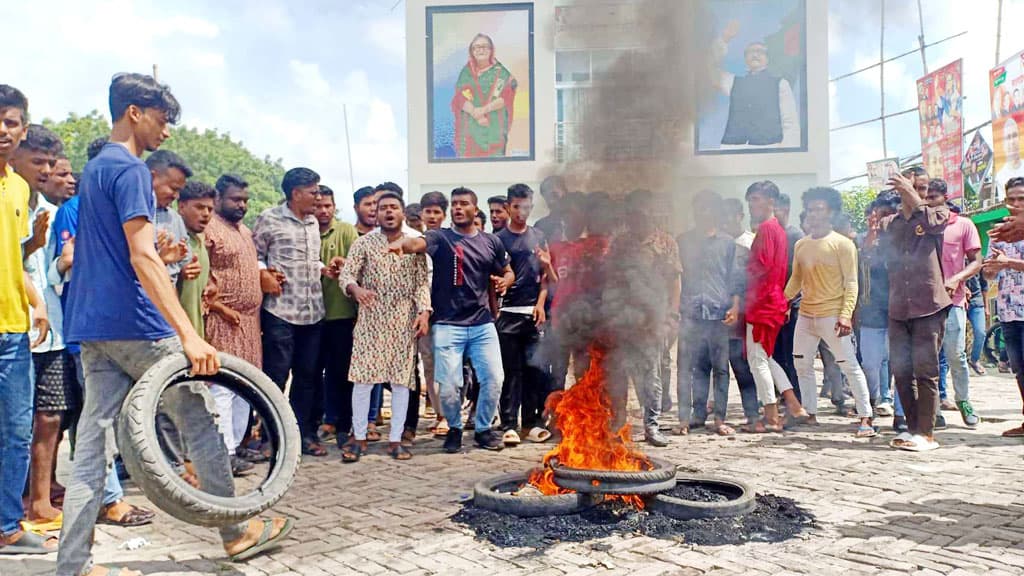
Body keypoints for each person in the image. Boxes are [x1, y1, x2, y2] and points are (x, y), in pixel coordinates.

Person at [58, 73, 291, 576]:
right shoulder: (130, 169)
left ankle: (73, 565)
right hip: (137, 323)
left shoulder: (95, 167)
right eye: (162, 120)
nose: (166, 133)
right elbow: (142, 258)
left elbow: (118, 249)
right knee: (199, 417)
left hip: (93, 326)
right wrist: (187, 333)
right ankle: (237, 530)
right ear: (134, 112)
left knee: (92, 449)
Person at [48, 136, 158, 531]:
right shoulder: (76, 210)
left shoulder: (99, 204)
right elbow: (68, 262)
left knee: (99, 426)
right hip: (100, 327)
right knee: (95, 427)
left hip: (102, 325)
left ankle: (83, 542)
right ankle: (110, 500)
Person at [388, 187, 514, 453]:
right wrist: (404, 244)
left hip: (482, 324)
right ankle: (454, 429)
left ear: (474, 209)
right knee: (449, 385)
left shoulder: (491, 242)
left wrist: (506, 280)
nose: (458, 208)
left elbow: (507, 270)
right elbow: (418, 244)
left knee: (494, 378)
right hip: (447, 325)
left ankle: (483, 429)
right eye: (454, 204)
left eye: (463, 204)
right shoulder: (440, 237)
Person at [0, 85, 55, 556]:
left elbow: (13, 258)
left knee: (15, 431)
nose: (3, 129)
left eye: (11, 121)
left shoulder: (18, 188)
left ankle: (7, 528)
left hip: (13, 329)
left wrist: (34, 300)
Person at [339, 191, 430, 461]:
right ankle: (358, 438)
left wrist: (424, 313)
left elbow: (421, 283)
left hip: (404, 321)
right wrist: (355, 290)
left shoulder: (413, 245)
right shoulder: (364, 243)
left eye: (394, 208)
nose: (388, 212)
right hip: (371, 320)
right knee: (363, 380)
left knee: (401, 383)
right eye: (383, 209)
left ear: (402, 213)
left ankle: (396, 439)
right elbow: (347, 274)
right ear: (375, 214)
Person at [11, 124, 70, 531]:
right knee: (15, 423)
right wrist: (30, 247)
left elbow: (42, 270)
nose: (47, 171)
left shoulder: (38, 208)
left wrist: (56, 262)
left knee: (50, 417)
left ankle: (40, 497)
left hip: (47, 328)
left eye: (51, 163)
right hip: (16, 323)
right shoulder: (10, 198)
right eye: (39, 162)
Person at [175, 180, 254, 477]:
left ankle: (227, 450)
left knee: (237, 386)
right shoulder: (184, 238)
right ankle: (210, 456)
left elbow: (207, 280)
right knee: (212, 389)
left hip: (225, 323)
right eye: (200, 207)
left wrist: (209, 292)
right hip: (197, 328)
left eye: (208, 208)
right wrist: (219, 307)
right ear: (180, 206)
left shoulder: (235, 233)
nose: (205, 214)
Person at [254, 167, 333, 457]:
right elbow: (256, 254)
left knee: (309, 376)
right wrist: (263, 274)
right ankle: (269, 437)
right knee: (276, 375)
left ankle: (305, 435)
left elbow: (311, 261)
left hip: (313, 312)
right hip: (280, 311)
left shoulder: (313, 222)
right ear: (296, 193)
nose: (318, 196)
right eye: (313, 191)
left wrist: (325, 268)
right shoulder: (269, 218)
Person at [784, 188, 875, 436]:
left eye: (819, 209)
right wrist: (783, 301)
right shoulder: (801, 244)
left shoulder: (843, 244)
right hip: (806, 314)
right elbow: (796, 279)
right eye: (810, 209)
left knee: (849, 366)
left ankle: (866, 417)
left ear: (831, 212)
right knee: (802, 365)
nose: (813, 214)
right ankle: (810, 414)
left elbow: (852, 283)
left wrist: (845, 314)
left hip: (832, 316)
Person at [605, 190, 681, 447]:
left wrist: (672, 314)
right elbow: (611, 280)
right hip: (623, 320)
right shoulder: (620, 243)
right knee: (618, 373)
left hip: (653, 319)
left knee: (651, 375)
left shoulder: (665, 243)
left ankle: (652, 426)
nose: (638, 217)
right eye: (633, 213)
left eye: (643, 211)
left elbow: (674, 281)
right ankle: (619, 423)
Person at [882, 169, 951, 452]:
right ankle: (912, 431)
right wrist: (905, 199)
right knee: (901, 371)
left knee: (926, 372)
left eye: (923, 189)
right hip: (899, 308)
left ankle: (928, 434)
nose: (920, 194)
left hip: (929, 307)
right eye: (914, 188)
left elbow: (931, 223)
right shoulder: (892, 223)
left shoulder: (939, 214)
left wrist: (911, 193)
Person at [203, 174, 263, 465]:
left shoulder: (245, 231)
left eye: (245, 200)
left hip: (249, 323)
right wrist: (219, 308)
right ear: (217, 199)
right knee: (223, 387)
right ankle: (222, 452)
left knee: (244, 386)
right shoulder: (208, 230)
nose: (242, 205)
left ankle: (238, 445)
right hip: (222, 319)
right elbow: (200, 278)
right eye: (236, 199)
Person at [675, 190, 742, 436]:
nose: (703, 213)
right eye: (699, 208)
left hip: (718, 314)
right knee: (687, 367)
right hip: (690, 314)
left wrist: (735, 307)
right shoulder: (683, 241)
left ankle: (719, 419)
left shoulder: (727, 243)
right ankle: (687, 418)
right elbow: (675, 278)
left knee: (720, 368)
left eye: (708, 208)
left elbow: (734, 278)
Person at [744, 181, 807, 432]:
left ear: (771, 201)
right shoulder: (777, 229)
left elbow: (761, 268)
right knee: (766, 357)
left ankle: (770, 415)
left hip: (763, 302)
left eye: (757, 199)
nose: (752, 204)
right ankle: (793, 404)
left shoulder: (768, 229)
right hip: (772, 300)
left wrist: (744, 271)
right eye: (750, 199)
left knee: (756, 359)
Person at [496, 184, 556, 446]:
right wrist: (494, 308)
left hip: (533, 314)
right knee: (511, 372)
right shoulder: (497, 239)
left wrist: (541, 304)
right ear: (509, 207)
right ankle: (509, 424)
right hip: (506, 314)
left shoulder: (539, 236)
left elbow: (546, 279)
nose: (522, 212)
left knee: (535, 370)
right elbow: (491, 278)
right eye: (517, 206)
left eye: (527, 206)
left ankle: (531, 423)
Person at [923, 178, 982, 429]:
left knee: (955, 355)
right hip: (924, 303)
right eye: (926, 197)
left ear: (945, 197)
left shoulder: (963, 225)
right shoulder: (920, 226)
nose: (929, 202)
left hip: (954, 301)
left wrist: (957, 280)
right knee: (929, 359)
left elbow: (976, 261)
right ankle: (933, 408)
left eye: (934, 197)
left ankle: (964, 401)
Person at [313, 185, 359, 447]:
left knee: (341, 372)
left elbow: (359, 266)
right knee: (312, 373)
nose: (323, 210)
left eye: (328, 205)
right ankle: (320, 421)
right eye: (318, 205)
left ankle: (344, 424)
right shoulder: (304, 231)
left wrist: (344, 265)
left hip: (341, 313)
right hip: (310, 315)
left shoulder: (345, 231)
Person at [713, 20, 799, 148]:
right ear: (745, 59)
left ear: (767, 58)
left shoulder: (780, 84)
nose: (755, 54)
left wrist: (785, 155)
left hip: (769, 150)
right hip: (732, 151)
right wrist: (724, 39)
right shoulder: (733, 82)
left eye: (760, 51)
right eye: (750, 51)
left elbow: (790, 123)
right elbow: (705, 71)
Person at [983, 176, 1024, 437]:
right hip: (1009, 312)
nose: (1016, 204)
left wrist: (1008, 261)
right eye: (1011, 199)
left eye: (1022, 199)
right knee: (1020, 370)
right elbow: (989, 273)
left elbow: (1007, 262)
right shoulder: (999, 233)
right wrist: (992, 267)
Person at [719, 197, 763, 430]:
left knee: (742, 365)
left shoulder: (749, 243)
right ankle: (717, 414)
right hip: (719, 311)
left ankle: (752, 413)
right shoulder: (719, 242)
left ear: (740, 216)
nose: (725, 220)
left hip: (743, 313)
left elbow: (755, 278)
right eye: (722, 215)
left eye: (730, 215)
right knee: (718, 366)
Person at [859, 192, 900, 422]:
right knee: (871, 363)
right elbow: (860, 270)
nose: (883, 220)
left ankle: (889, 402)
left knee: (893, 360)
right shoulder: (864, 242)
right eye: (880, 215)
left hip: (898, 310)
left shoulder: (904, 239)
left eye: (888, 215)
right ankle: (873, 399)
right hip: (870, 311)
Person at [451, 33, 517, 158]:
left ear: (491, 50)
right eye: (476, 47)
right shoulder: (466, 72)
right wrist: (475, 113)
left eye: (485, 46)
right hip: (470, 134)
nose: (481, 50)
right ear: (472, 51)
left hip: (492, 133)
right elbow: (460, 97)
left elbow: (505, 97)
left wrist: (483, 110)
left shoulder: (501, 73)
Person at [417, 190, 448, 437]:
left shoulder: (451, 240)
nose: (432, 216)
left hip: (448, 313)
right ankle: (440, 415)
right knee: (429, 365)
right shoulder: (415, 242)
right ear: (422, 214)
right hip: (422, 314)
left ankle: (450, 414)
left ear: (444, 215)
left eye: (437, 211)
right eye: (428, 211)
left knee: (450, 366)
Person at [146, 150, 194, 284]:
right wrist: (160, 259)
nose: (176, 196)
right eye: (173, 189)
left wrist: (188, 268)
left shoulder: (174, 218)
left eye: (179, 191)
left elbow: (184, 262)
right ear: (151, 178)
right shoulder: (132, 215)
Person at [772, 193, 802, 394]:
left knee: (792, 354)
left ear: (787, 210)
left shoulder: (795, 236)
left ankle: (797, 398)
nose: (773, 214)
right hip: (774, 304)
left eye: (777, 209)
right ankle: (783, 395)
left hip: (793, 304)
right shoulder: (769, 233)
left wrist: (788, 303)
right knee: (775, 354)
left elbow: (797, 274)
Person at [995, 117, 1024, 202]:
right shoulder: (1000, 176)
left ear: (1019, 139)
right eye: (1008, 137)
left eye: (1014, 135)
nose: (1012, 142)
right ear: (1003, 143)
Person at [534, 175, 567, 242]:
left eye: (554, 194)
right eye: (547, 197)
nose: (551, 201)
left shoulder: (580, 222)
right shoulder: (540, 226)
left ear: (565, 192)